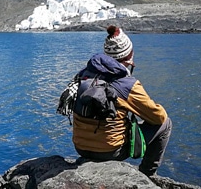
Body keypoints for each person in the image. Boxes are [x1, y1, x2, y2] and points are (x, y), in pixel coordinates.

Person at [72, 25, 172, 176]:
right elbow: (158, 117)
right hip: (110, 152)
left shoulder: (84, 74)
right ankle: (148, 174)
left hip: (80, 147)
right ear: (129, 56)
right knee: (166, 124)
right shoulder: (127, 84)